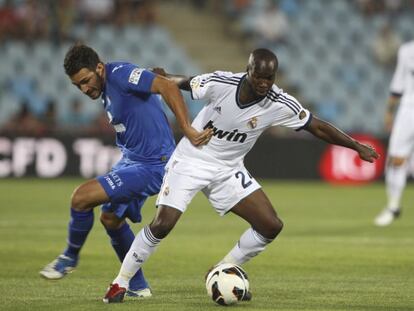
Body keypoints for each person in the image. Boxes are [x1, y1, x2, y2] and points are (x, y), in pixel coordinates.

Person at [102, 48, 379, 303]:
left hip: (228, 168)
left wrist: (355, 146)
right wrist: (161, 78)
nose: (263, 83)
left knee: (270, 225)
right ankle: (121, 282)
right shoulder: (223, 83)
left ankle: (222, 269)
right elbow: (187, 82)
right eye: (259, 76)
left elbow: (316, 126)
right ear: (248, 71)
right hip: (191, 160)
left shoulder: (279, 102)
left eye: (269, 78)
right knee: (163, 224)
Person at [39, 44, 212, 298]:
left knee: (81, 197)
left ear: (99, 68)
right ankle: (138, 286)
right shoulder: (106, 88)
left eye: (86, 81)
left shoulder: (120, 74)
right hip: (132, 160)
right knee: (110, 219)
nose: (84, 89)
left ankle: (69, 257)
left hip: (154, 164)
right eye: (78, 86)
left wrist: (186, 128)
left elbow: (166, 85)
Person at [374, 41, 414, 226]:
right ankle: (393, 206)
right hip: (409, 109)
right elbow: (398, 83)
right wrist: (389, 112)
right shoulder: (407, 50)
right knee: (397, 158)